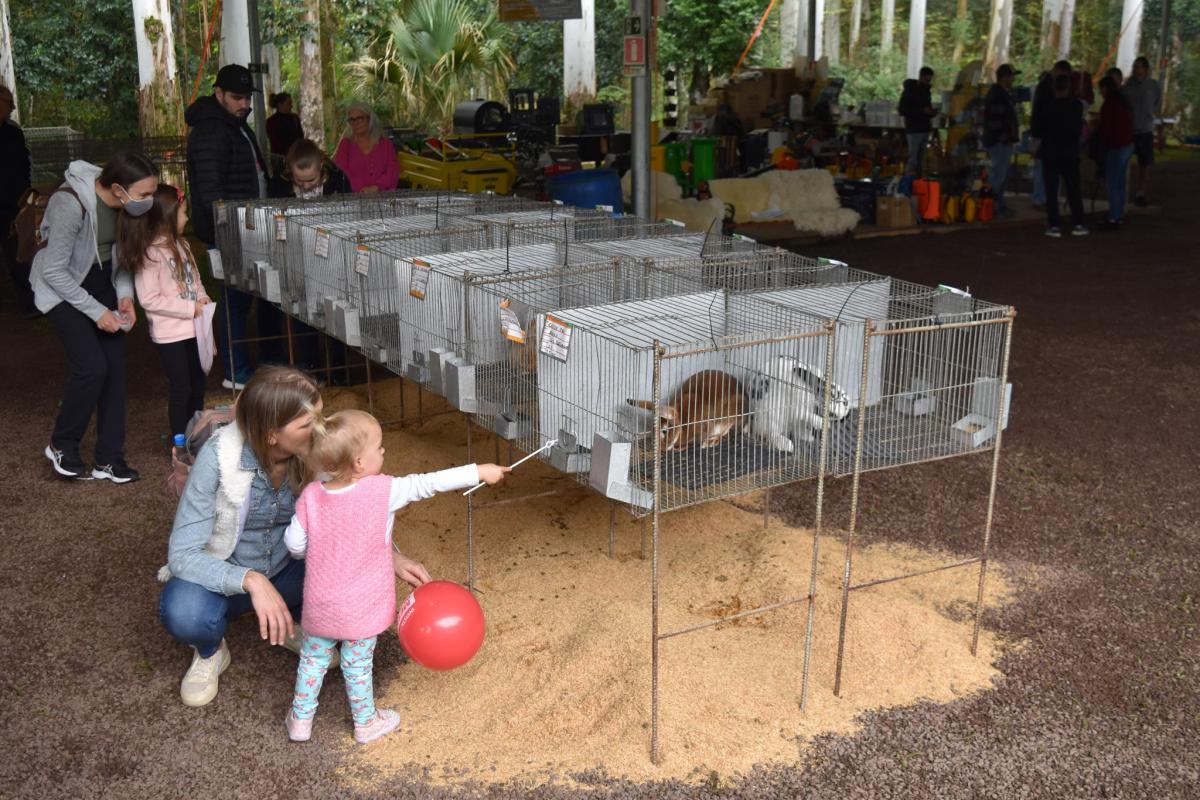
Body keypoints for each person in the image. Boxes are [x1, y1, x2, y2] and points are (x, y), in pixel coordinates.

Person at [282, 409, 508, 743]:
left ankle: (300, 721)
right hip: (362, 605)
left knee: (314, 659)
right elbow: (428, 483)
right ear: (360, 462)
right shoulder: (382, 491)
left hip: (321, 602)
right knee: (357, 664)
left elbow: (293, 543)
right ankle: (366, 722)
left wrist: (318, 552)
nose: (384, 452)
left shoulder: (312, 495)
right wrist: (479, 471)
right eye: (379, 447)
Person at [158, 366, 323, 707]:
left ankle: (288, 619)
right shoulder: (218, 457)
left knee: (355, 576)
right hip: (226, 574)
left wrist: (389, 553)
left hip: (289, 569)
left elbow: (355, 508)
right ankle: (210, 651)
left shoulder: (319, 451)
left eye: (320, 417)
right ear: (271, 435)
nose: (321, 430)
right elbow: (183, 554)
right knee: (184, 613)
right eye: (308, 424)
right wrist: (251, 580)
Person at [32, 152, 159, 482]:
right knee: (92, 368)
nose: (148, 201)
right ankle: (62, 444)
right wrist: (98, 311)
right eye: (144, 194)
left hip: (101, 284)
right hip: (61, 288)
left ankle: (109, 459)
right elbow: (54, 272)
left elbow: (121, 265)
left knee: (114, 371)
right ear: (118, 188)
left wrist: (125, 298)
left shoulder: (124, 209)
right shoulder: (70, 203)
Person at [185, 63, 271, 390]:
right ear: (218, 93)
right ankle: (236, 372)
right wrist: (229, 232)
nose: (244, 104)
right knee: (232, 300)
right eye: (237, 97)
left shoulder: (233, 124)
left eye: (247, 97)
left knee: (245, 298)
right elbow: (211, 192)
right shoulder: (211, 130)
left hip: (248, 228)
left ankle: (248, 366)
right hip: (229, 233)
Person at [124, 184, 214, 438]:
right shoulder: (150, 255)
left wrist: (204, 299)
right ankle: (179, 440)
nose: (186, 217)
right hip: (170, 335)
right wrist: (189, 308)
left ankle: (195, 434)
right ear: (167, 218)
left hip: (194, 329)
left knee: (198, 384)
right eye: (183, 212)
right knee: (182, 387)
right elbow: (149, 300)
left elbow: (195, 281)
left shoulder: (183, 246)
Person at [265, 139, 350, 372]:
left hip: (331, 256)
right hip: (297, 255)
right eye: (299, 181)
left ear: (321, 165)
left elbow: (351, 215)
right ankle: (310, 365)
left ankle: (339, 367)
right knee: (303, 311)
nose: (305, 186)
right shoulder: (279, 184)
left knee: (336, 311)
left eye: (311, 180)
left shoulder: (339, 179)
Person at [1033, 74, 1088, 238]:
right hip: (1069, 153)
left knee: (1051, 190)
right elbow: (1079, 129)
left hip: (1051, 153)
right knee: (1073, 189)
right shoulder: (1077, 106)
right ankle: (1078, 222)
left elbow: (1037, 130)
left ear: (1054, 89)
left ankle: (1054, 224)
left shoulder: (1047, 107)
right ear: (1069, 88)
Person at [1, 84, 34, 316]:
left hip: (13, 205)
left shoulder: (13, 132)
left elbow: (23, 167)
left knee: (18, 254)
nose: (12, 108)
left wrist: (25, 194)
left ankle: (28, 303)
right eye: (8, 103)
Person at [1030, 60, 1073, 209]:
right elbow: (1043, 112)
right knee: (1041, 167)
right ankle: (1039, 198)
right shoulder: (1046, 87)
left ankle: (1044, 197)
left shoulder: (1046, 84)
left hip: (1043, 132)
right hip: (1041, 132)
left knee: (1045, 167)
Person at [1096, 77, 1135, 231]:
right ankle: (1117, 215)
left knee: (1113, 182)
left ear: (1106, 88)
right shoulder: (1122, 102)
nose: (1100, 92)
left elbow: (1106, 130)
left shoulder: (1109, 105)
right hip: (1127, 144)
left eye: (1101, 89)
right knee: (1119, 182)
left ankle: (1113, 217)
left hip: (1117, 146)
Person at [1123, 56, 1162, 207]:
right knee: (1123, 160)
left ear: (1145, 69)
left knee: (1144, 163)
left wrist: (1149, 115)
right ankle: (1122, 189)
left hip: (1145, 130)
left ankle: (1140, 192)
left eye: (1139, 67)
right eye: (1134, 67)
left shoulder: (1153, 86)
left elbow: (1156, 103)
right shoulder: (1127, 87)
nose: (1136, 69)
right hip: (1129, 130)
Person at [333, 104, 399, 193]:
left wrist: (378, 187)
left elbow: (393, 171)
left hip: (382, 197)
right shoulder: (345, 145)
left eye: (360, 118)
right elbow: (341, 172)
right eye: (352, 120)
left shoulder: (386, 144)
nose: (356, 123)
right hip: (353, 198)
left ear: (370, 119)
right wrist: (361, 189)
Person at [982, 64, 1020, 216]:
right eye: (1011, 76)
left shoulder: (1000, 93)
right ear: (1005, 77)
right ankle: (993, 206)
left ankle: (997, 205)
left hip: (1001, 140)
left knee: (1000, 174)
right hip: (999, 141)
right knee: (998, 175)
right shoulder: (998, 94)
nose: (1013, 79)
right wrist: (1002, 135)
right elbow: (994, 119)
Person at [898, 67, 937, 177]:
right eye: (926, 80)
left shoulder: (927, 91)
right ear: (921, 77)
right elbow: (902, 109)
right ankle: (908, 182)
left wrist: (931, 112)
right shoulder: (910, 90)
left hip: (925, 127)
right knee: (913, 158)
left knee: (921, 159)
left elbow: (927, 107)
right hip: (914, 128)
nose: (928, 82)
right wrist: (921, 111)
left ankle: (919, 181)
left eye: (929, 80)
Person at [266, 92, 304, 163]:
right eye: (289, 103)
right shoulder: (271, 121)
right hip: (280, 159)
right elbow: (275, 142)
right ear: (280, 105)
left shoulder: (295, 118)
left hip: (296, 157)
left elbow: (301, 137)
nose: (291, 106)